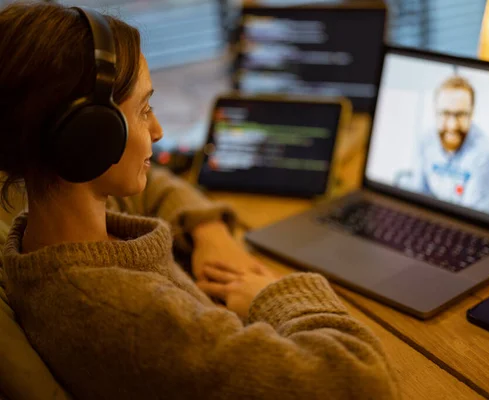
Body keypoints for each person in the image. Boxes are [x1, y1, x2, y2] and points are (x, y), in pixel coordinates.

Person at [0, 3, 397, 399]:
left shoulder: (55, 225)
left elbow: (156, 185)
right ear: (88, 137)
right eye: (143, 110)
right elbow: (362, 381)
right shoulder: (128, 317)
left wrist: (209, 231)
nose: (157, 131)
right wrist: (272, 296)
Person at [409, 76, 489, 215]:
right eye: (445, 113)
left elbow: (472, 219)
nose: (452, 125)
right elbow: (417, 196)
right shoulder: (425, 141)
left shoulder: (485, 154)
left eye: (461, 115)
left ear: (472, 114)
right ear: (435, 113)